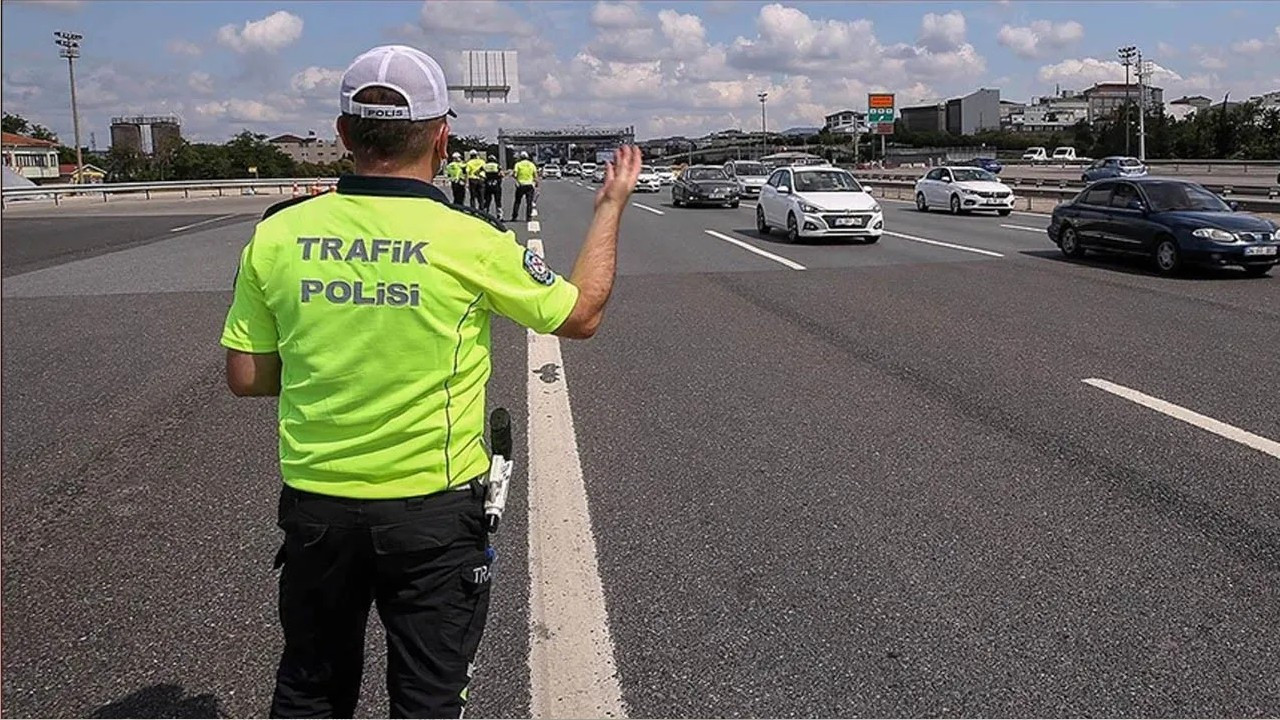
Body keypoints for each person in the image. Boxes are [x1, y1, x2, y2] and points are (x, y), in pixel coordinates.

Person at [219, 43, 643, 719]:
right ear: (443, 137)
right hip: (433, 512)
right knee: (428, 700)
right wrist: (610, 206)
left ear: (342, 134)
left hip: (318, 509)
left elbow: (246, 376)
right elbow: (581, 313)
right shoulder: (470, 239)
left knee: (309, 689)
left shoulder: (277, 235)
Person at [511, 151, 538, 222]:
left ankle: (514, 216)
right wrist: (536, 183)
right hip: (529, 185)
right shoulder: (531, 164)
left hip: (520, 185)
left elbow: (514, 174)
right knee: (529, 202)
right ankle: (528, 217)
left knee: (517, 201)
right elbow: (535, 175)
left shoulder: (518, 164)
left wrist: (516, 179)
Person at [481, 154, 503, 220]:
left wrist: (484, 178)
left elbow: (479, 173)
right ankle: (499, 215)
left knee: (487, 200)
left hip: (487, 185)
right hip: (496, 185)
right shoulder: (497, 166)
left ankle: (485, 214)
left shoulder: (485, 166)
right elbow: (502, 174)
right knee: (498, 201)